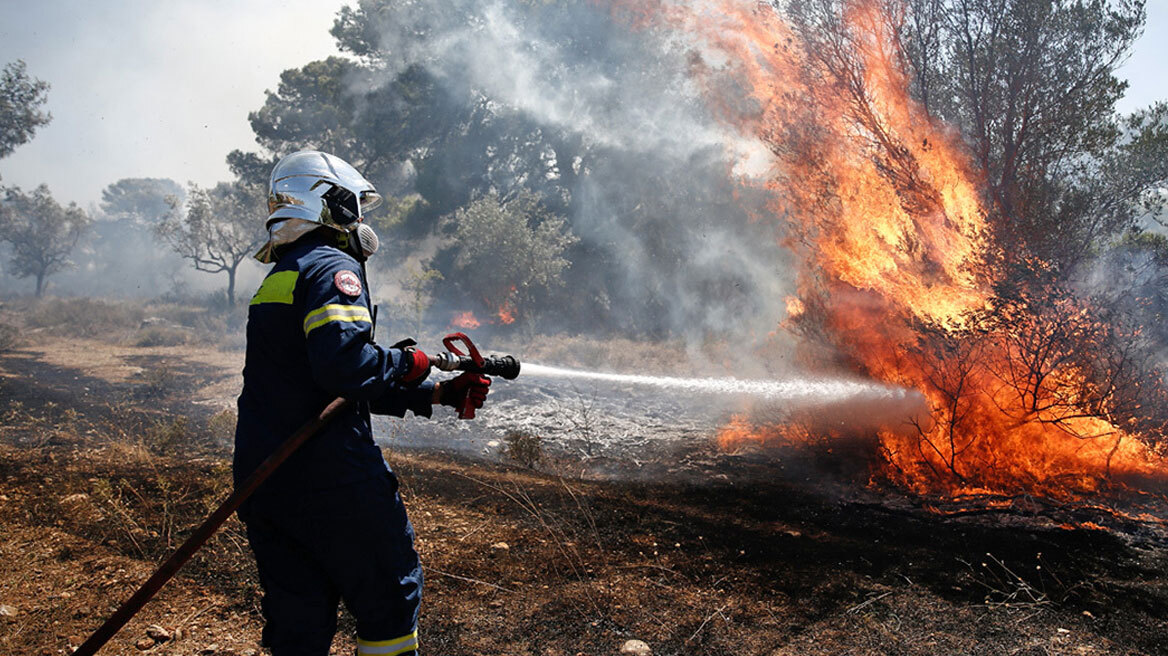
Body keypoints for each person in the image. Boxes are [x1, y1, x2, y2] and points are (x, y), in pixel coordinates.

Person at [234, 150, 489, 656]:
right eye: (354, 207)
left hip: (267, 476)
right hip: (332, 477)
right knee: (389, 598)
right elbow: (345, 367)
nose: (360, 222)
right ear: (330, 205)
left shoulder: (284, 272)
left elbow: (319, 381)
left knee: (299, 620)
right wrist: (408, 362)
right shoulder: (333, 266)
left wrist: (436, 392)